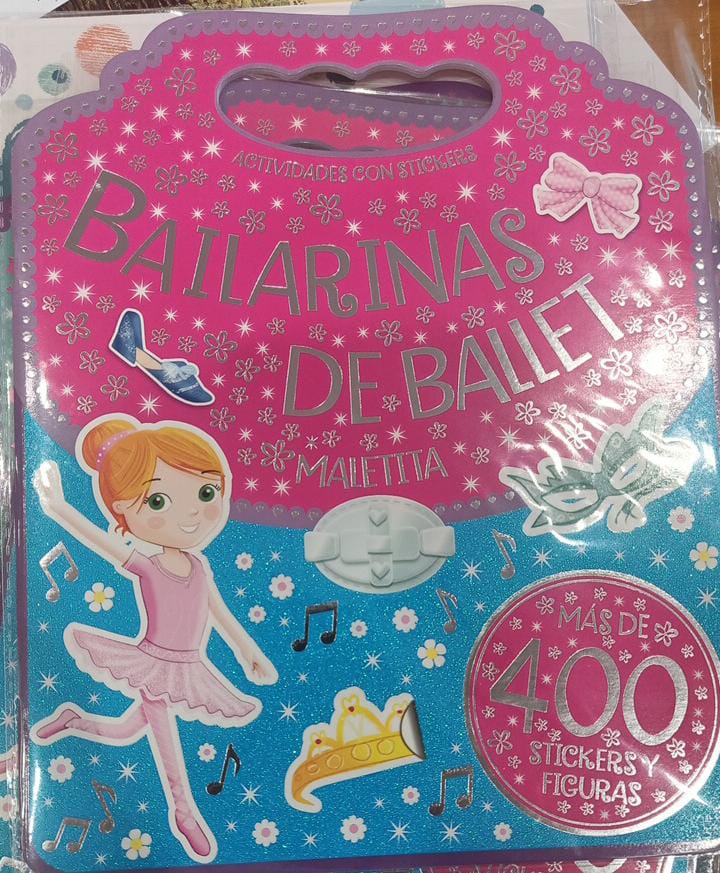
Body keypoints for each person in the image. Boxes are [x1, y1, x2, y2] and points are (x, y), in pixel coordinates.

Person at [31, 415, 278, 863]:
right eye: (159, 501)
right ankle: (184, 810)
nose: (193, 513)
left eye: (206, 493)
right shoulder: (147, 564)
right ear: (125, 514)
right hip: (153, 661)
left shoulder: (200, 566)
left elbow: (217, 611)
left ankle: (73, 720)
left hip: (189, 665)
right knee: (164, 737)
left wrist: (248, 651)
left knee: (126, 730)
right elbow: (99, 542)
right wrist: (56, 506)